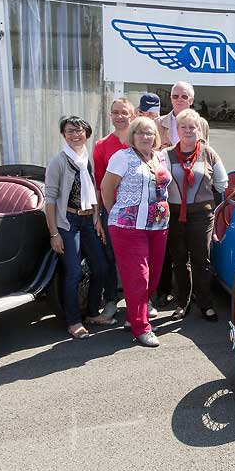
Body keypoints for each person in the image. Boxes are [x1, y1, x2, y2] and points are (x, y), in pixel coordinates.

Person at [100, 117, 172, 347]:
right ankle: (141, 327)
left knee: (153, 276)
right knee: (137, 278)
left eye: (149, 133)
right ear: (133, 135)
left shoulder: (160, 156)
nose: (145, 136)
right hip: (128, 227)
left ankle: (134, 315)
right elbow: (106, 188)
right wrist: (118, 213)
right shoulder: (122, 157)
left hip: (158, 225)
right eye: (140, 132)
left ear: (155, 136)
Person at [45, 116, 110, 339]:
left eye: (79, 130)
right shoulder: (59, 161)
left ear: (87, 133)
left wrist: (97, 220)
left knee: (100, 267)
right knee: (73, 272)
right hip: (68, 222)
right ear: (63, 135)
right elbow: (50, 200)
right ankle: (73, 321)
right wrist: (54, 233)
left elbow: (92, 191)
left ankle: (92, 312)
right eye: (70, 131)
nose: (75, 135)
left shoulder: (86, 159)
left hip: (88, 220)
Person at [165, 108, 228, 322]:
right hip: (174, 215)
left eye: (192, 127)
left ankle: (206, 303)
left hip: (202, 215)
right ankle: (182, 303)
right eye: (183, 127)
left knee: (202, 260)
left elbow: (222, 183)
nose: (188, 130)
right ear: (177, 130)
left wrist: (206, 194)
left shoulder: (209, 153)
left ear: (199, 129)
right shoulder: (167, 155)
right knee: (179, 260)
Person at [92, 98, 135, 319]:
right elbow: (99, 183)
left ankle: (140, 302)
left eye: (123, 112)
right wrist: (99, 215)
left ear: (132, 115)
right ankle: (110, 301)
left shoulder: (140, 142)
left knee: (137, 259)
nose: (119, 116)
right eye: (115, 112)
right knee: (110, 256)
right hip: (112, 211)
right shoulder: (101, 146)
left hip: (137, 213)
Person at [155, 81, 195, 149]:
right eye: (175, 96)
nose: (179, 99)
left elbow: (205, 153)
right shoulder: (157, 123)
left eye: (184, 97)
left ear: (191, 100)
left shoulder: (201, 124)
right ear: (171, 99)